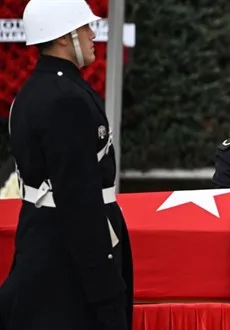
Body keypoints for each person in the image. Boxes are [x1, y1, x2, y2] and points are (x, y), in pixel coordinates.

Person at [0, 1, 133, 330]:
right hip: (67, 262)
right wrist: (106, 292)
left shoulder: (34, 92)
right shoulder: (65, 99)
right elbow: (78, 199)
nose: (92, 35)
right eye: (85, 28)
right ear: (64, 37)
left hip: (43, 241)